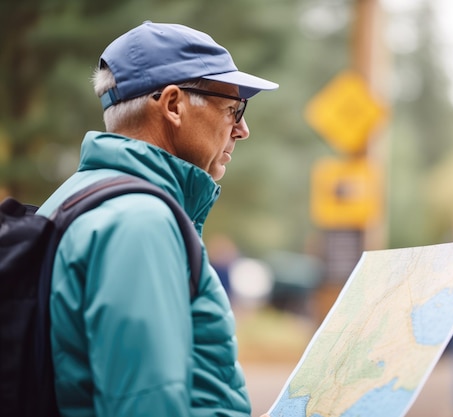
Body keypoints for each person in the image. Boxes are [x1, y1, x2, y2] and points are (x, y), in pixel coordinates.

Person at [35, 21, 278, 416]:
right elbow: (145, 404)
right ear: (172, 105)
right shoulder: (138, 222)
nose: (242, 129)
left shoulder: (75, 198)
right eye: (234, 109)